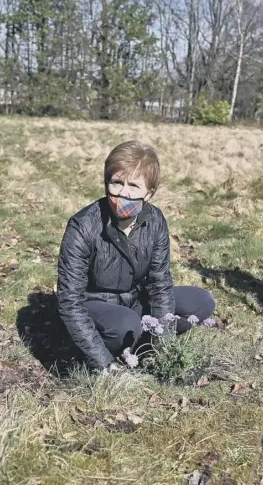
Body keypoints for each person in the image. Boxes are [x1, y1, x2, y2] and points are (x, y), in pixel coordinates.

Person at [56, 140, 216, 371]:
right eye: (116, 183)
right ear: (106, 183)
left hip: (135, 302)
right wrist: (103, 363)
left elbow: (159, 284)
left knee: (201, 302)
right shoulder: (83, 226)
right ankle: (99, 348)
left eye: (133, 186)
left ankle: (140, 343)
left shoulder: (155, 221)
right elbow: (70, 301)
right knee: (124, 324)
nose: (123, 193)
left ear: (149, 193)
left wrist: (163, 345)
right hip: (93, 307)